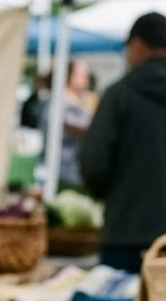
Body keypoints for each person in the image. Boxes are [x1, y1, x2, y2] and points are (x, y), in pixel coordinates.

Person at [82, 13, 166, 273]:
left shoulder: (119, 95)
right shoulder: (119, 94)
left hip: (125, 231)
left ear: (137, 44)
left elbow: (95, 163)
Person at [44, 59, 94, 190]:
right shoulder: (59, 103)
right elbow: (81, 129)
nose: (87, 78)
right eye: (83, 75)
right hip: (62, 171)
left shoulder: (82, 101)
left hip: (75, 170)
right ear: (69, 76)